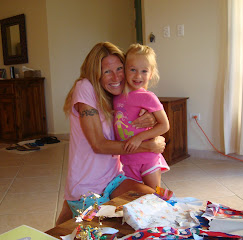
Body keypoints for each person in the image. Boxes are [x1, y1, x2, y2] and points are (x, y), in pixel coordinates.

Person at [56, 42, 166, 225]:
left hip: (114, 178)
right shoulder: (85, 86)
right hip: (88, 186)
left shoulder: (115, 94)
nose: (115, 76)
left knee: (154, 201)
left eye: (119, 69)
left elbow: (138, 116)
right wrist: (148, 145)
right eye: (107, 71)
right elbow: (98, 144)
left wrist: (150, 119)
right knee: (91, 231)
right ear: (95, 73)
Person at [113, 43, 170, 190]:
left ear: (151, 74)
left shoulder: (148, 97)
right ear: (124, 70)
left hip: (148, 158)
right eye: (132, 70)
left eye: (144, 71)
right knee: (134, 198)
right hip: (127, 160)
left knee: (155, 195)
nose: (138, 76)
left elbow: (164, 125)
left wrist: (138, 138)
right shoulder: (115, 97)